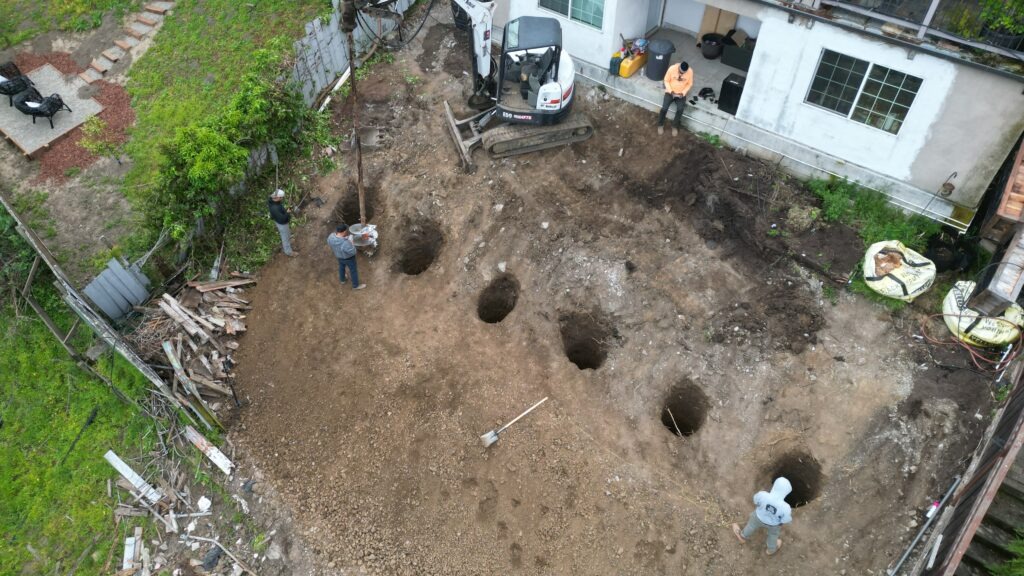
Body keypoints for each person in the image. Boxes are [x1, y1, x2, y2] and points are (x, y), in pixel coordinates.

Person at [732, 477, 793, 556]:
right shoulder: (786, 507)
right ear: (786, 492)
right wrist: (780, 522)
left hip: (758, 517)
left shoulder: (763, 495)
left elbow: (755, 500)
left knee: (751, 526)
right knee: (773, 535)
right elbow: (785, 519)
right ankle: (771, 549)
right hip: (774, 525)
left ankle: (742, 537)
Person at [657, 61, 693, 137]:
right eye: (680, 72)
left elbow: (689, 84)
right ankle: (660, 125)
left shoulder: (690, 72)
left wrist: (683, 93)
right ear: (679, 67)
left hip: (680, 94)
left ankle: (674, 126)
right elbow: (666, 80)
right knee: (664, 108)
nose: (681, 74)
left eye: (683, 73)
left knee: (680, 109)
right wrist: (671, 91)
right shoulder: (672, 68)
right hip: (670, 92)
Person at [327, 224, 366, 290]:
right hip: (349, 259)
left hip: (339, 256)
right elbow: (353, 251)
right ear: (344, 232)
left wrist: (345, 239)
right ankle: (355, 286)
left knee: (341, 267)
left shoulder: (331, 237)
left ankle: (343, 280)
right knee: (353, 271)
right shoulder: (345, 243)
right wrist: (351, 242)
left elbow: (329, 242)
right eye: (346, 231)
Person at [268, 189, 298, 257]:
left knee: (287, 232)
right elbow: (283, 219)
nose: (282, 199)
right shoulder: (274, 208)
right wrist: (287, 213)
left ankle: (289, 240)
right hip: (282, 223)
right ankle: (288, 252)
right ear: (278, 197)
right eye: (281, 198)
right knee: (284, 237)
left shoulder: (272, 200)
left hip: (281, 220)